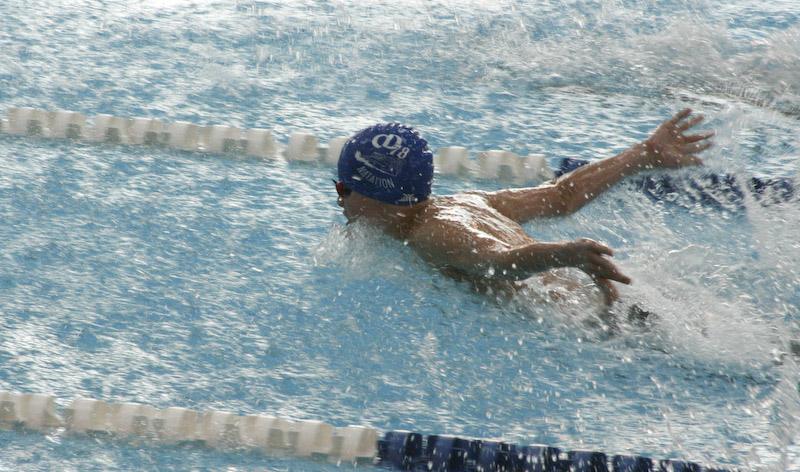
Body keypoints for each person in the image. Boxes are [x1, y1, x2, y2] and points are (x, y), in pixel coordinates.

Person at [334, 108, 714, 306]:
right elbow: (562, 196)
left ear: (378, 195)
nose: (339, 199)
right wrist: (642, 153)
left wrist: (566, 254)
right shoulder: (467, 202)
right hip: (614, 297)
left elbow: (503, 262)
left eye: (344, 188)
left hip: (598, 319)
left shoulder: (432, 233)